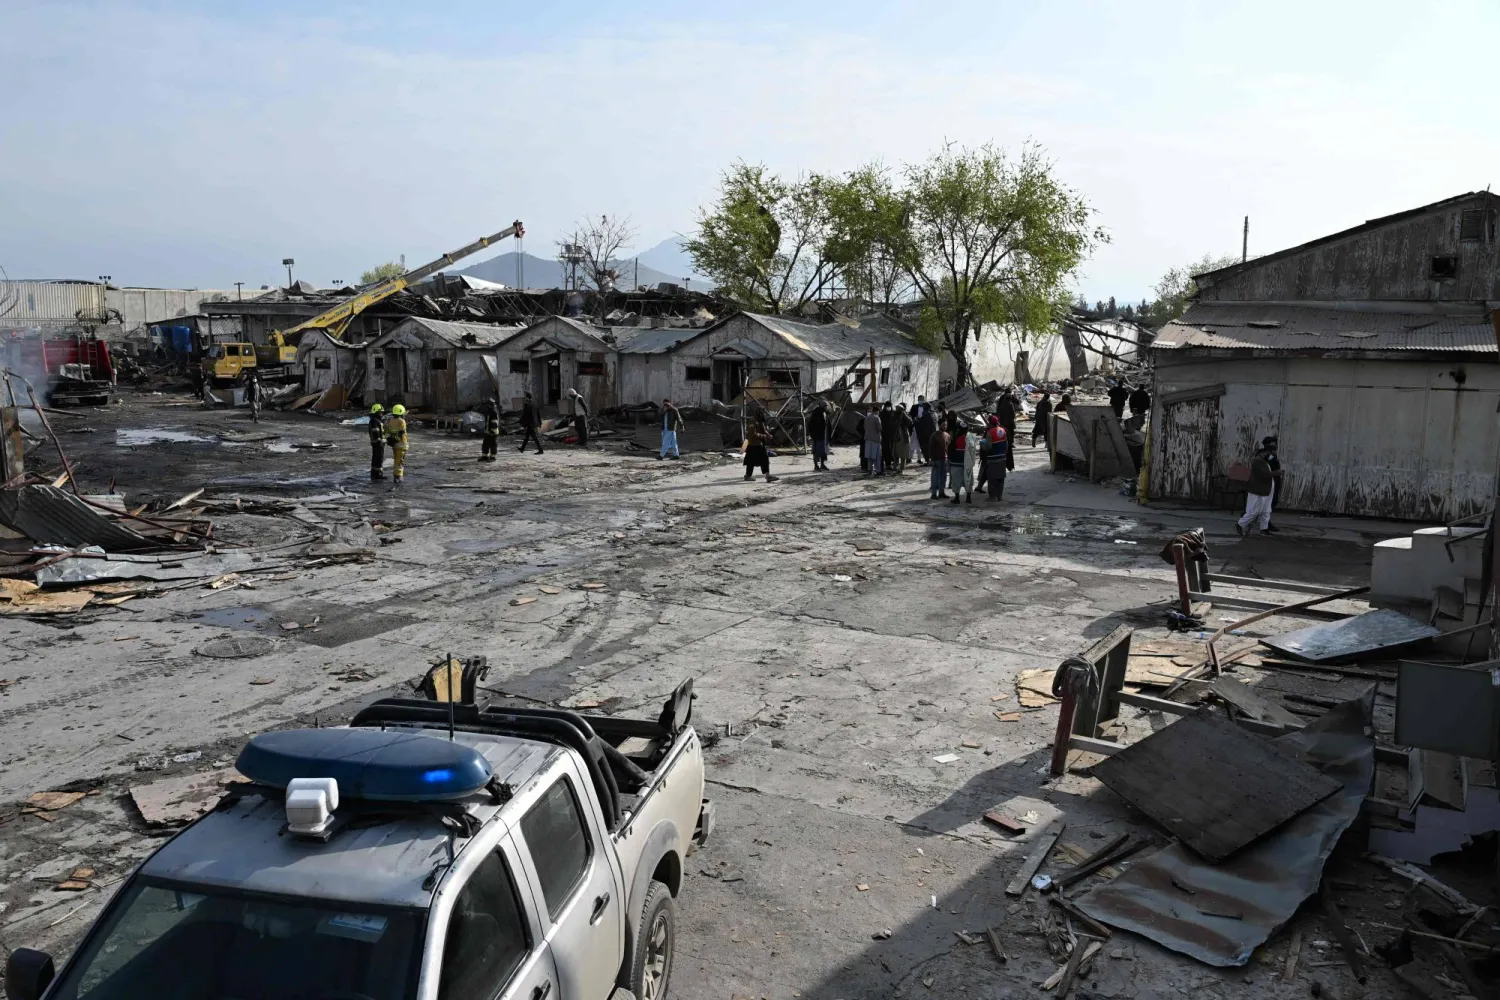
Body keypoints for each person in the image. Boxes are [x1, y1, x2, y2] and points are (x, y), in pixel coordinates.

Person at [1237, 445, 1276, 536]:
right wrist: (1277, 473)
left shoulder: (1264, 462)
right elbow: (1264, 474)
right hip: (1258, 490)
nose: (1268, 455)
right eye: (1266, 453)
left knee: (1266, 510)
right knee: (1254, 511)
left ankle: (1264, 528)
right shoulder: (1257, 462)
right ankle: (1240, 525)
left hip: (1266, 490)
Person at [743, 417, 778, 482]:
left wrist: (768, 435)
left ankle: (767, 476)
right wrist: (763, 436)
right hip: (753, 445)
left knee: (764, 459)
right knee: (750, 461)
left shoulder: (761, 421)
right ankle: (748, 475)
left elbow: (763, 430)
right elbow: (752, 433)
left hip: (760, 444)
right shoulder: (753, 421)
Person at [983, 414, 1008, 501]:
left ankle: (992, 496)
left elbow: (989, 447)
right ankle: (1000, 496)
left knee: (992, 478)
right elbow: (1006, 444)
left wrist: (983, 445)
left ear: (990, 423)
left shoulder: (990, 432)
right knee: (1001, 477)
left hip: (993, 458)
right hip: (1002, 458)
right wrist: (1004, 454)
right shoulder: (1003, 430)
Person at [1261, 435, 1283, 533]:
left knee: (1272, 503)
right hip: (1268, 482)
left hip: (1275, 482)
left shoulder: (1273, 456)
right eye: (1272, 446)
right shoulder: (1263, 455)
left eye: (1275, 446)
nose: (1274, 449)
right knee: (1263, 505)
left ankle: (1266, 523)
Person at [385, 403, 409, 486]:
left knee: (396, 460)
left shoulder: (389, 420)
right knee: (400, 461)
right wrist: (396, 439)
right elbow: (401, 432)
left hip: (394, 444)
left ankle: (396, 475)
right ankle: (398, 477)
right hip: (401, 444)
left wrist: (390, 439)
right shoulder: (402, 421)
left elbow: (386, 431)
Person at [993, 392, 1017, 471]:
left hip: (1003, 424)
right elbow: (1013, 415)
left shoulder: (1002, 404)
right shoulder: (1010, 405)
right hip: (1009, 424)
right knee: (1009, 437)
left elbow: (999, 413)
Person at [928, 422, 950, 499]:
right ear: (939, 425)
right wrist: (932, 459)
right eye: (943, 425)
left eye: (946, 425)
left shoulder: (947, 435)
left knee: (943, 477)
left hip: (945, 459)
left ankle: (941, 492)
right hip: (936, 459)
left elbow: (948, 447)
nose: (945, 426)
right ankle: (934, 494)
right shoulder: (934, 435)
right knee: (935, 477)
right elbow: (931, 448)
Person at [912, 396, 935, 466]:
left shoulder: (927, 415)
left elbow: (922, 424)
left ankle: (928, 461)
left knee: (925, 448)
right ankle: (929, 460)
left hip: (924, 434)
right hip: (927, 434)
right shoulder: (931, 415)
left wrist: (916, 421)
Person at [807, 403, 830, 471]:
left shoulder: (825, 413)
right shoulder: (816, 414)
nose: (826, 407)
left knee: (823, 451)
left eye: (826, 406)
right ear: (822, 406)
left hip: (823, 435)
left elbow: (827, 425)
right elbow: (810, 425)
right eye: (825, 406)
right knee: (816, 451)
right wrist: (812, 434)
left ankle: (822, 465)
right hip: (817, 436)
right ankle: (816, 466)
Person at [879, 401, 899, 475]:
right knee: (885, 450)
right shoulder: (882, 414)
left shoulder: (893, 413)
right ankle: (887, 464)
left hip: (892, 435)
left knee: (892, 450)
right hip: (884, 435)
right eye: (887, 406)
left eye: (889, 406)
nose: (888, 408)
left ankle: (892, 463)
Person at [367, 403, 386, 481]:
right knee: (378, 458)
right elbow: (375, 432)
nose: (381, 414)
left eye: (382, 412)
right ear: (376, 412)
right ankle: (377, 475)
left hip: (378, 443)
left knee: (376, 458)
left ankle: (375, 474)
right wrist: (379, 441)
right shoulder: (375, 421)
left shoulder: (375, 420)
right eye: (380, 412)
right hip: (378, 443)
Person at [893, 403, 913, 473]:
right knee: (895, 453)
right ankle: (895, 467)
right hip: (896, 436)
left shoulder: (905, 415)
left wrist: (904, 414)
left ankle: (901, 468)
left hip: (904, 436)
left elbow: (910, 422)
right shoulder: (894, 415)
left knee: (903, 453)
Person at [863, 408, 883, 476]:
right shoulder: (877, 418)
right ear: (877, 411)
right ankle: (878, 470)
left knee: (869, 456)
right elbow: (879, 428)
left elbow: (864, 427)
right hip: (875, 440)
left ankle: (870, 470)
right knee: (877, 456)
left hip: (868, 439)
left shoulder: (866, 418)